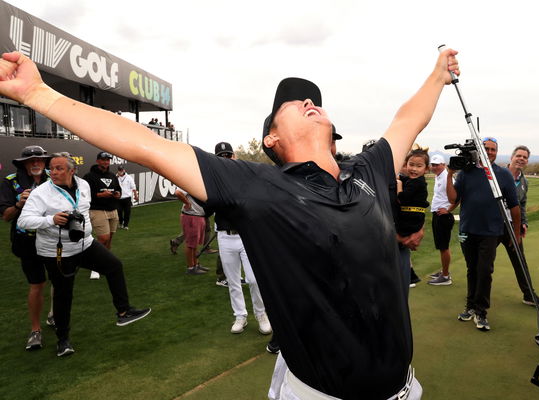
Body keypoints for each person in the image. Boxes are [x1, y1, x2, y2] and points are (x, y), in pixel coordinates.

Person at [0, 48, 460, 399]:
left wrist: (438, 75)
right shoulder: (256, 186)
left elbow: (407, 120)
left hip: (405, 388)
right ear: (271, 138)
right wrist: (37, 94)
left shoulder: (370, 172)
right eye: (295, 103)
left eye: (314, 100)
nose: (308, 102)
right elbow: (143, 144)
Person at [17, 152, 151, 356]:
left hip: (85, 244)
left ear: (72, 170)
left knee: (114, 265)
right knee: (64, 294)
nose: (53, 172)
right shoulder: (41, 192)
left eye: (59, 168)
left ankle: (123, 312)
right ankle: (63, 340)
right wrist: (51, 220)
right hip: (56, 252)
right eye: (51, 168)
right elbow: (23, 221)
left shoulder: (84, 185)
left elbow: (85, 209)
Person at [446, 137, 520, 332]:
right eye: (485, 148)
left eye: (493, 149)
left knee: (485, 270)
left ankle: (481, 312)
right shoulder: (466, 173)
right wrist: (449, 176)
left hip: (491, 232)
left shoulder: (503, 175)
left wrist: (516, 233)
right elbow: (454, 198)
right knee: (472, 268)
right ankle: (470, 307)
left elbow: (514, 206)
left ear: (497, 152)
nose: (489, 152)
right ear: (479, 150)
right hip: (466, 231)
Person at [213, 142, 272, 335]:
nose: (225, 159)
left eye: (228, 155)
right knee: (233, 281)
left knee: (254, 279)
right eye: (221, 156)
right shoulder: (213, 181)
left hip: (246, 235)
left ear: (234, 157)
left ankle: (261, 314)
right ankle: (240, 315)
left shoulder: (243, 177)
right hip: (225, 236)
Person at [0, 145, 54, 350]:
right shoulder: (10, 182)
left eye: (39, 160)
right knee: (37, 284)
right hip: (26, 243)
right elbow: (6, 216)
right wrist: (19, 205)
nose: (36, 163)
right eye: (31, 160)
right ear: (23, 164)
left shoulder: (54, 177)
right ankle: (35, 330)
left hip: (54, 238)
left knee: (59, 280)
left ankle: (54, 316)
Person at [498, 146, 539, 306]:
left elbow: (522, 205)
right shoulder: (496, 175)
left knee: (520, 260)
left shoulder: (524, 182)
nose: (521, 159)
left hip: (513, 226)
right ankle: (476, 296)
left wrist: (523, 223)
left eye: (524, 157)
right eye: (518, 155)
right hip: (493, 224)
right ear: (511, 157)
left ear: (527, 161)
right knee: (485, 262)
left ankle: (528, 294)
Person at [83, 151, 121, 279]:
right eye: (103, 160)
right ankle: (94, 267)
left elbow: (119, 189)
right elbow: (85, 195)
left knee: (109, 239)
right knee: (103, 238)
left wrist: (117, 194)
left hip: (112, 209)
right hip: (97, 210)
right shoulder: (89, 176)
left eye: (108, 160)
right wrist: (100, 195)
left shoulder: (112, 175)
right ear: (98, 161)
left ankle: (104, 262)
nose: (106, 162)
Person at [395, 148, 430, 287]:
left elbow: (402, 199)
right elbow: (405, 178)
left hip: (411, 219)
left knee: (398, 233)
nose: (414, 169)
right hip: (414, 217)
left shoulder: (417, 182)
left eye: (419, 166)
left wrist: (398, 186)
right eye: (411, 164)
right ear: (405, 164)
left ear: (426, 169)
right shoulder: (414, 180)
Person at [427, 154, 455, 286]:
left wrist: (448, 210)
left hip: (444, 216)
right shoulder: (439, 176)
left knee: (444, 247)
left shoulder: (447, 178)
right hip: (437, 214)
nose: (435, 167)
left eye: (437, 164)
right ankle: (444, 271)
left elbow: (458, 197)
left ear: (443, 165)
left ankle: (445, 276)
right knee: (441, 246)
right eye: (433, 164)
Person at [175, 188, 209, 275]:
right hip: (191, 216)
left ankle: (196, 264)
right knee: (190, 244)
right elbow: (178, 192)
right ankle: (191, 267)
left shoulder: (198, 181)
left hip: (197, 216)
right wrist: (187, 203)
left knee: (195, 243)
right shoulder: (189, 182)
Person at [116, 165, 138, 230]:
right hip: (119, 198)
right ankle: (121, 222)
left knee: (127, 212)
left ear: (124, 170)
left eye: (122, 170)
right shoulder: (116, 177)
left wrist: (136, 195)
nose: (121, 171)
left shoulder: (129, 177)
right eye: (119, 170)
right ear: (118, 171)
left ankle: (126, 225)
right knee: (119, 211)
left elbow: (133, 187)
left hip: (127, 198)